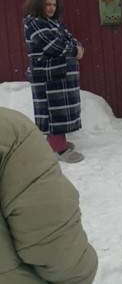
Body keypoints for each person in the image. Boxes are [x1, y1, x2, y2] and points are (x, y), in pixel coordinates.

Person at [0, 107, 98, 283]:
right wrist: (82, 272)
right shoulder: (10, 132)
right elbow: (56, 249)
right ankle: (58, 144)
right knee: (57, 105)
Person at [23, 0, 85, 163]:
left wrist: (77, 48)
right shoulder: (34, 23)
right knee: (53, 111)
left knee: (62, 110)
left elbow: (72, 39)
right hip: (48, 75)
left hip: (60, 74)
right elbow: (53, 46)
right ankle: (58, 149)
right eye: (47, 4)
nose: (51, 8)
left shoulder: (54, 22)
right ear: (38, 5)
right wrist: (75, 50)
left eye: (54, 5)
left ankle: (56, 142)